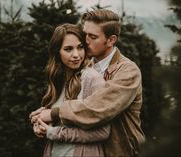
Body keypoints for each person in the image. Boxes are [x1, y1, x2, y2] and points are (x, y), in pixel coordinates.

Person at [30, 9, 145, 157]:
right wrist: (39, 120)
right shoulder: (81, 67)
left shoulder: (128, 72)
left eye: (92, 36)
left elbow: (97, 106)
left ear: (111, 40)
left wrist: (54, 114)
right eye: (85, 34)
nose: (86, 40)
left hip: (119, 152)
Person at [30, 23, 110, 157]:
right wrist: (38, 123)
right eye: (68, 49)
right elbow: (52, 117)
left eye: (80, 47)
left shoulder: (92, 79)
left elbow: (102, 132)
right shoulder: (58, 80)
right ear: (57, 52)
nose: (76, 55)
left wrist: (52, 132)